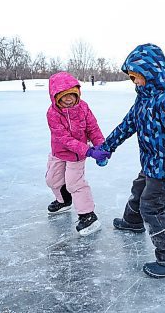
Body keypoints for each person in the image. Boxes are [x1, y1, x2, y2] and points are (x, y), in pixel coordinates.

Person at [99, 43, 165, 278]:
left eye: (137, 77)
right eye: (132, 79)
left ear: (151, 73)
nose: (136, 83)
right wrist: (106, 148)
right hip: (150, 164)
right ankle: (132, 221)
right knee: (138, 188)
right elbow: (126, 126)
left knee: (151, 207)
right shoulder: (142, 99)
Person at [45, 71, 111, 236]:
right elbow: (64, 138)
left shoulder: (83, 108)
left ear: (77, 94)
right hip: (60, 152)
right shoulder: (52, 113)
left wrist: (101, 148)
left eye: (72, 95)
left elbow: (93, 128)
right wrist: (88, 150)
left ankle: (88, 215)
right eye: (63, 96)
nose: (68, 99)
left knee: (74, 183)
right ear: (55, 97)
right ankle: (64, 201)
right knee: (52, 179)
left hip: (77, 156)